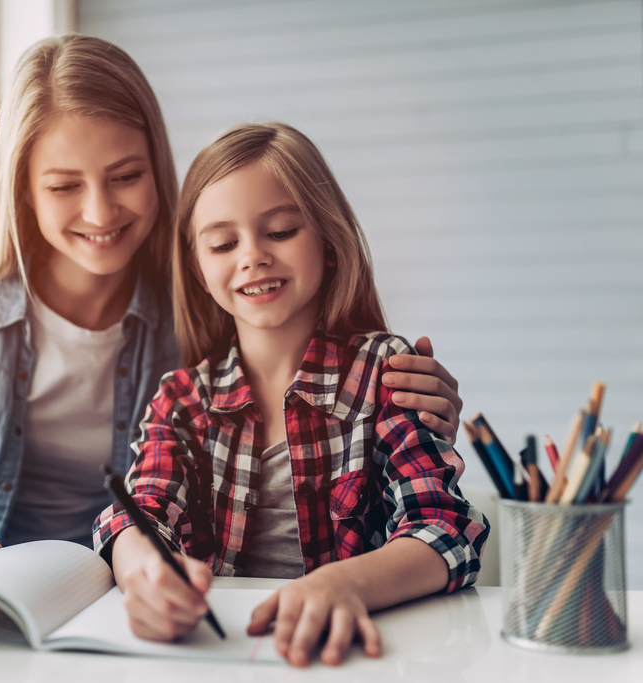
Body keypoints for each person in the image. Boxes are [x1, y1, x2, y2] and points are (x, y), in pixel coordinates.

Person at [0, 36, 466, 575]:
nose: (100, 213)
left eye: (125, 175)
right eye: (64, 186)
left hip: (135, 592)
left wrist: (421, 407)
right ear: (23, 188)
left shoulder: (197, 306)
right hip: (2, 587)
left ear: (158, 167)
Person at [94, 123, 489, 668]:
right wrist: (147, 571)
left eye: (279, 231)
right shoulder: (181, 401)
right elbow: (137, 515)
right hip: (218, 656)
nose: (252, 256)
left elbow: (446, 527)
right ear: (199, 270)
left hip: (353, 656)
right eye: (224, 243)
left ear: (328, 242)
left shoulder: (383, 370)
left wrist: (346, 584)